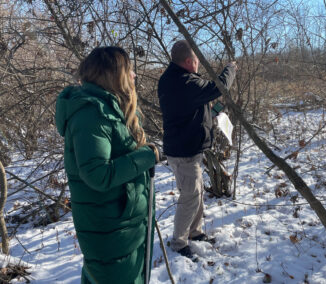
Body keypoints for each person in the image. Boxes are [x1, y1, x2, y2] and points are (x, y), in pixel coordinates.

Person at [55, 46, 159, 283]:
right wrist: (147, 156)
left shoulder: (112, 107)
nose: (133, 76)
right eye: (129, 70)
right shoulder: (91, 113)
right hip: (111, 231)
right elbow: (97, 174)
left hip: (123, 225)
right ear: (114, 75)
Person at [157, 40, 237, 259]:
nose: (199, 64)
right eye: (197, 61)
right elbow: (218, 86)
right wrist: (230, 69)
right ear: (189, 62)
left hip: (186, 148)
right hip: (184, 152)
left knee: (197, 194)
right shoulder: (184, 82)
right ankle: (179, 243)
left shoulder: (173, 80)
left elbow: (191, 108)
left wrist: (212, 113)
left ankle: (195, 232)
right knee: (190, 197)